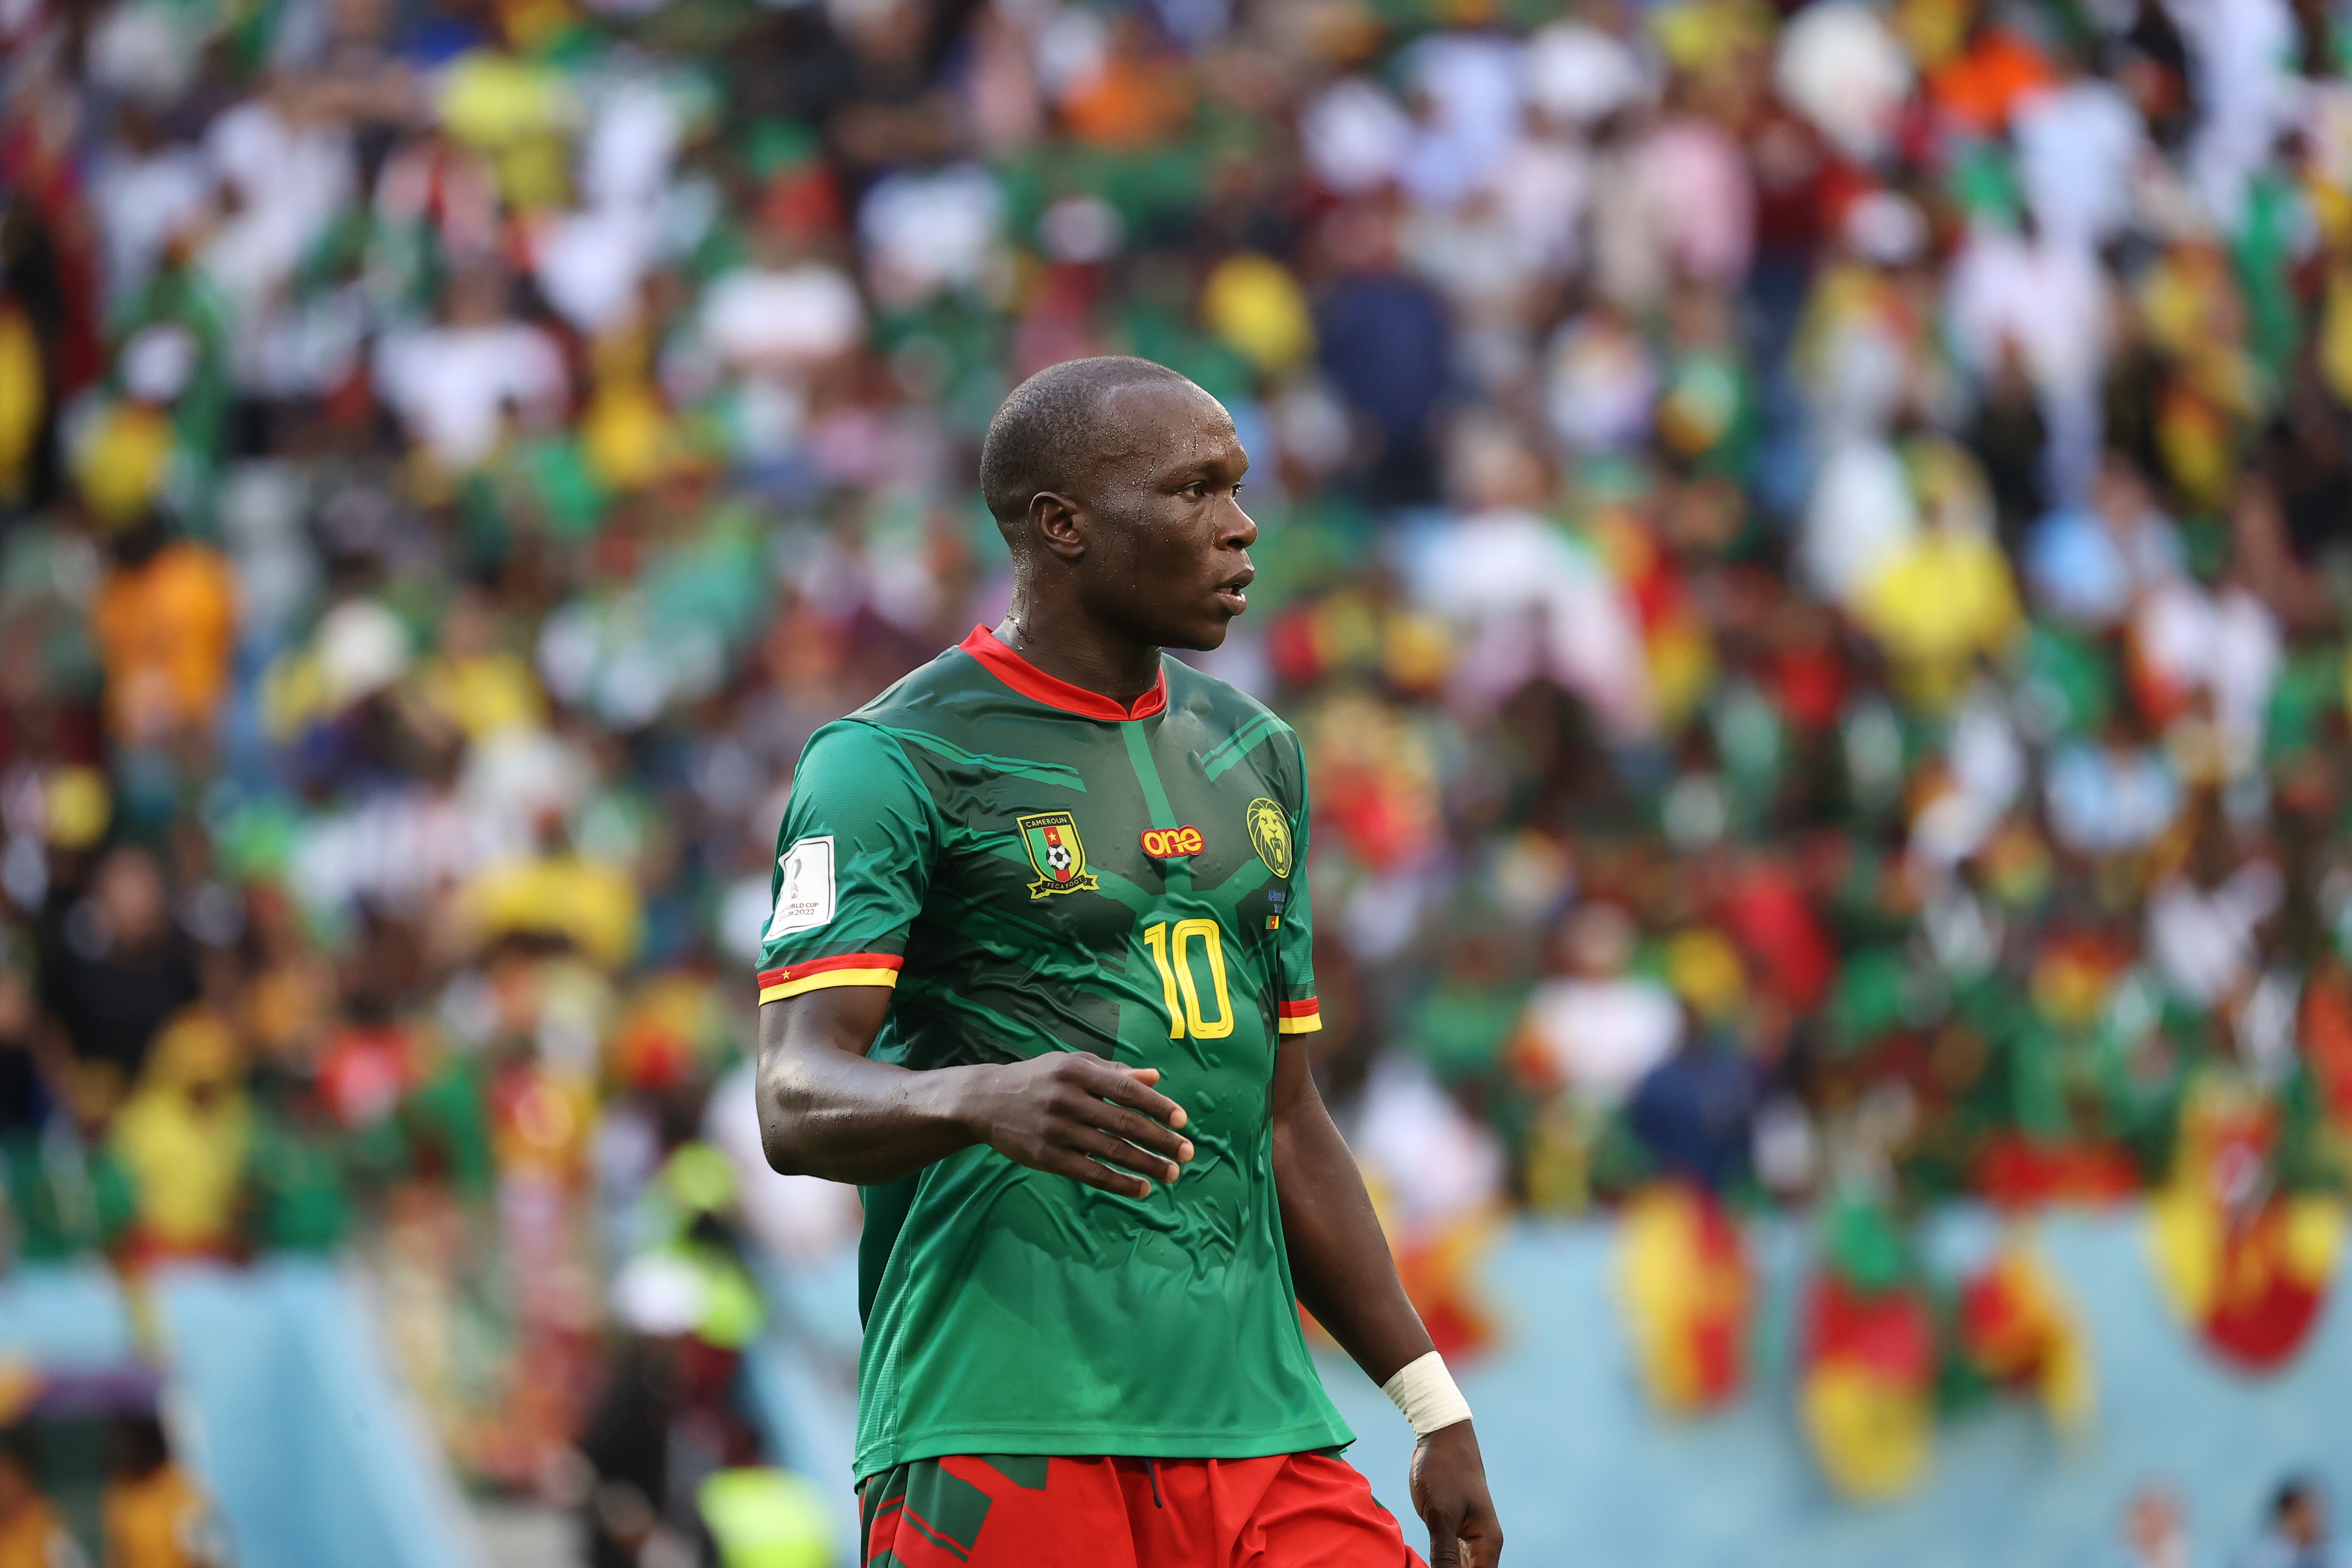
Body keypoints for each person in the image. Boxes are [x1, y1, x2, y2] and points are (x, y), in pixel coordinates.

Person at [755, 356, 1502, 1567]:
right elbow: (793, 1094)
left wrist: (1428, 1399)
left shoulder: (1254, 753)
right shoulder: (888, 759)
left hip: (1259, 1426)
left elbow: (1288, 1118)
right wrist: (977, 1096)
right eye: (1195, 490)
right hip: (1001, 1423)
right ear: (1064, 525)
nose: (1240, 525)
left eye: (1237, 487)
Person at [2243, 1476, 2348, 1568]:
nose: (2309, 1519)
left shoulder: (2338, 1555)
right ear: (2286, 1518)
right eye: (2301, 1513)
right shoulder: (2268, 1559)